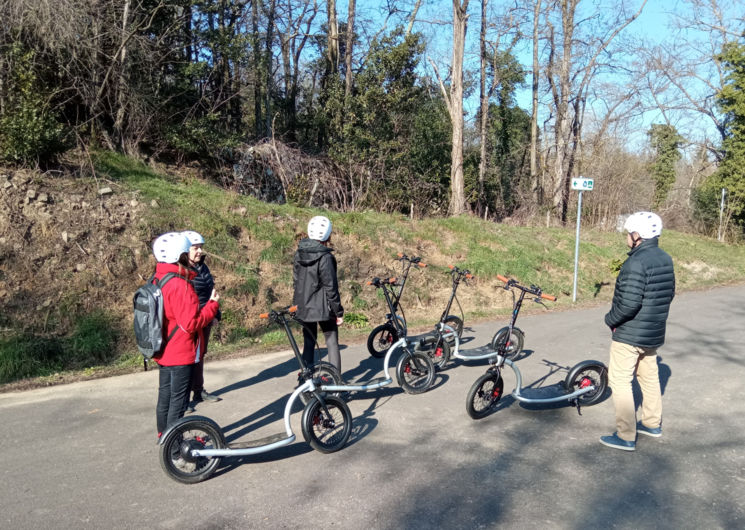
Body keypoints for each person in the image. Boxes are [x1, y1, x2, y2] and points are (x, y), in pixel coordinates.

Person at [600, 212, 675, 451]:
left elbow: (629, 304)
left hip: (630, 333)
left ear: (637, 236)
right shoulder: (665, 258)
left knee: (620, 380)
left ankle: (625, 436)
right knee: (649, 376)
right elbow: (669, 293)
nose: (626, 238)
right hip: (653, 331)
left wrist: (611, 319)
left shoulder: (636, 263)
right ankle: (652, 423)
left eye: (628, 233)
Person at [151, 232, 220, 440]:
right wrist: (212, 305)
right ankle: (174, 446)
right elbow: (191, 323)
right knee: (179, 401)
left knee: (165, 396)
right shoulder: (180, 284)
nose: (194, 254)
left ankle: (164, 437)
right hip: (180, 351)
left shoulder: (158, 277)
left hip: (163, 348)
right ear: (180, 255)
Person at [293, 215, 344, 372]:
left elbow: (296, 281)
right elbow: (331, 287)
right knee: (331, 342)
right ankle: (337, 385)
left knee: (309, 343)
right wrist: (338, 312)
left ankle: (305, 383)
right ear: (328, 235)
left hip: (303, 306)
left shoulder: (299, 253)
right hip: (323, 308)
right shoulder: (326, 257)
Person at [182, 230, 222, 409]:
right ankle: (183, 399)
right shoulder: (182, 270)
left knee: (200, 355)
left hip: (205, 317)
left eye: (200, 248)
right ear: (185, 250)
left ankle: (198, 390)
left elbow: (210, 291)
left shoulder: (202, 267)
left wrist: (215, 315)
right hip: (190, 321)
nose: (199, 251)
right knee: (187, 359)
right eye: (195, 248)